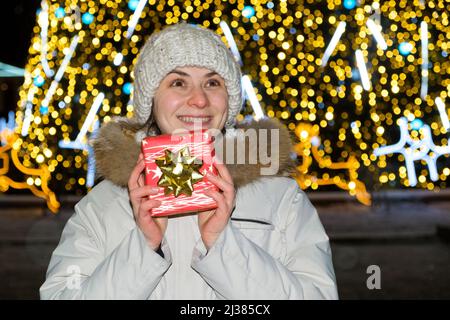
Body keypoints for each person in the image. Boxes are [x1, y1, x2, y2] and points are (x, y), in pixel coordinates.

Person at [40, 23, 338, 299]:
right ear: (151, 100)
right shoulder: (102, 206)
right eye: (178, 82)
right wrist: (143, 247)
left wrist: (223, 245)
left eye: (212, 83)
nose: (199, 100)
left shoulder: (281, 198)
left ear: (229, 99)